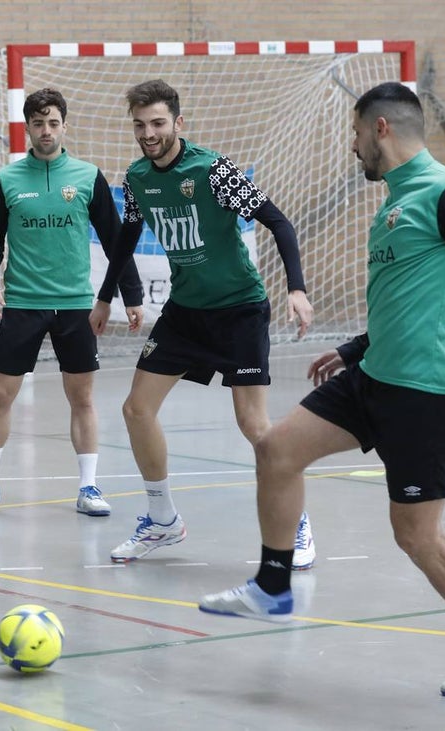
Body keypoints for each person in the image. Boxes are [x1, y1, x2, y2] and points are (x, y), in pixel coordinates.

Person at [198, 82, 445, 697]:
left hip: (430, 393)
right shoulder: (394, 202)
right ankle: (274, 585)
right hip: (374, 377)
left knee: (416, 533)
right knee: (277, 449)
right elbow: (409, 300)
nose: (353, 145)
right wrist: (354, 349)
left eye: (356, 132)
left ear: (381, 128)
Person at [90, 79, 316, 567]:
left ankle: (296, 524)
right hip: (186, 312)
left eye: (157, 123)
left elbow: (278, 222)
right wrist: (105, 298)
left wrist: (296, 288)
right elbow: (125, 239)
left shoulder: (213, 170)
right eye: (140, 125)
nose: (148, 134)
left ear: (178, 123)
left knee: (254, 425)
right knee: (136, 410)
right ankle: (163, 520)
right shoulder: (136, 179)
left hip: (238, 310)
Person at [0, 87, 146, 518]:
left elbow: (116, 241)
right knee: (1, 396)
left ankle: (89, 487)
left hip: (76, 306)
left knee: (81, 398)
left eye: (54, 123)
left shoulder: (86, 176)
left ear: (65, 125)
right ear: (27, 127)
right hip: (23, 303)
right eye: (39, 123)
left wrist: (131, 296)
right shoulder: (8, 179)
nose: (46, 131)